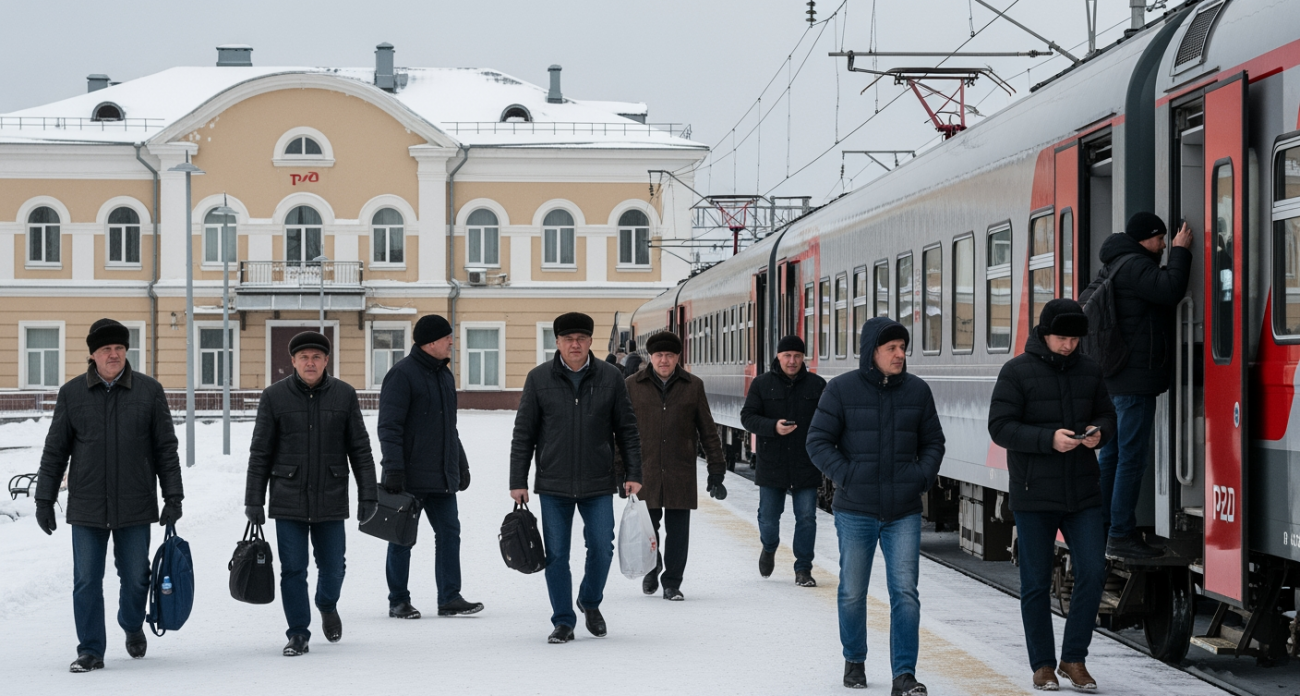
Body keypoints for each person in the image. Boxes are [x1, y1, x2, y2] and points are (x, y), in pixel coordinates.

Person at [34, 318, 184, 673]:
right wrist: (44, 498)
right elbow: (55, 450)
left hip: (135, 501)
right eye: (106, 349)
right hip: (87, 504)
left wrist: (173, 496)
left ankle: (131, 623)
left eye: (119, 348)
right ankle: (90, 650)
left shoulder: (149, 391)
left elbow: (166, 448)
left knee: (136, 577)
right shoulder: (72, 394)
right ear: (92, 355)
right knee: (86, 580)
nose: (113, 354)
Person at [806, 317, 945, 694]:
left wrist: (920, 478)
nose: (901, 355)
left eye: (903, 348)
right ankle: (855, 659)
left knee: (905, 593)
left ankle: (904, 675)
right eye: (892, 349)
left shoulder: (917, 391)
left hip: (904, 510)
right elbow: (817, 441)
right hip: (856, 509)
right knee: (853, 589)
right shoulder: (841, 390)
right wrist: (848, 476)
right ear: (873, 353)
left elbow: (934, 442)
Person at [988, 299, 1116, 692]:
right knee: (1036, 583)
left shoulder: (1090, 371)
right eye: (1063, 338)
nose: (1069, 346)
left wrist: (1099, 433)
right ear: (1044, 334)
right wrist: (1048, 440)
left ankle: (1073, 659)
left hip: (1082, 492)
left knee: (1094, 571)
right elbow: (1000, 427)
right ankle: (1042, 665)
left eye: (1075, 339)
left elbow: (1108, 416)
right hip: (1033, 494)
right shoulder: (1016, 372)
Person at [509, 312, 643, 644]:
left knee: (602, 547)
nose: (575, 344)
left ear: (590, 342)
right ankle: (564, 621)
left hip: (598, 481)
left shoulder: (611, 377)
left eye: (581, 338)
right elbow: (523, 434)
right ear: (556, 342)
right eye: (568, 339)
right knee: (556, 554)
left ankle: (590, 601)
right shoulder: (539, 379)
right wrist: (518, 480)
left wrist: (634, 472)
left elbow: (627, 430)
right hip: (553, 483)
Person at [245, 331, 379, 657]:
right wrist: (254, 499)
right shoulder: (274, 397)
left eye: (316, 357)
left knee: (334, 566)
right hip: (287, 495)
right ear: (292, 361)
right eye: (303, 357)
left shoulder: (344, 395)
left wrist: (368, 495)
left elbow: (359, 449)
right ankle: (298, 634)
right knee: (293, 569)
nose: (310, 362)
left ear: (326, 361)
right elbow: (260, 451)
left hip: (330, 494)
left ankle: (326, 603)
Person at [1080, 212, 1192, 559]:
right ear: (1149, 238)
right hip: (1132, 382)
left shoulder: (1114, 265)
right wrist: (1181, 252)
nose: (1162, 245)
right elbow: (1171, 290)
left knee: (1112, 456)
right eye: (1160, 239)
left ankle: (1102, 529)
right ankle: (1121, 534)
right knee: (1130, 457)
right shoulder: (1135, 266)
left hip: (1116, 379)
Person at [377, 314, 482, 620]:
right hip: (408, 477)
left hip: (440, 476)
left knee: (450, 533)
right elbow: (389, 427)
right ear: (432, 342)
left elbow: (450, 428)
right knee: (402, 538)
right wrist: (393, 469)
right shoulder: (401, 375)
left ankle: (449, 597)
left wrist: (460, 464)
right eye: (448, 337)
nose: (452, 341)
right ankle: (398, 600)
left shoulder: (444, 375)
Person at [623, 330, 727, 601]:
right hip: (645, 471)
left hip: (680, 470)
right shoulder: (632, 385)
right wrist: (620, 469)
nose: (664, 360)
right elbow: (620, 432)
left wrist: (716, 469)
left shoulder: (693, 385)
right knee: (648, 528)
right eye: (659, 355)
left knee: (679, 532)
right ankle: (651, 566)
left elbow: (707, 429)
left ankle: (672, 583)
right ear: (650, 357)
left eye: (670, 355)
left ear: (679, 357)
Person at [740, 335, 826, 586]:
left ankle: (803, 569)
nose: (792, 361)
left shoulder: (817, 385)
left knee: (807, 517)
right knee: (768, 517)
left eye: (797, 356)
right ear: (778, 357)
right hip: (772, 462)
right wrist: (772, 427)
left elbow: (829, 420)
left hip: (806, 461)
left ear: (803, 358)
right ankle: (769, 547)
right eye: (787, 356)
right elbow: (747, 417)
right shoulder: (762, 384)